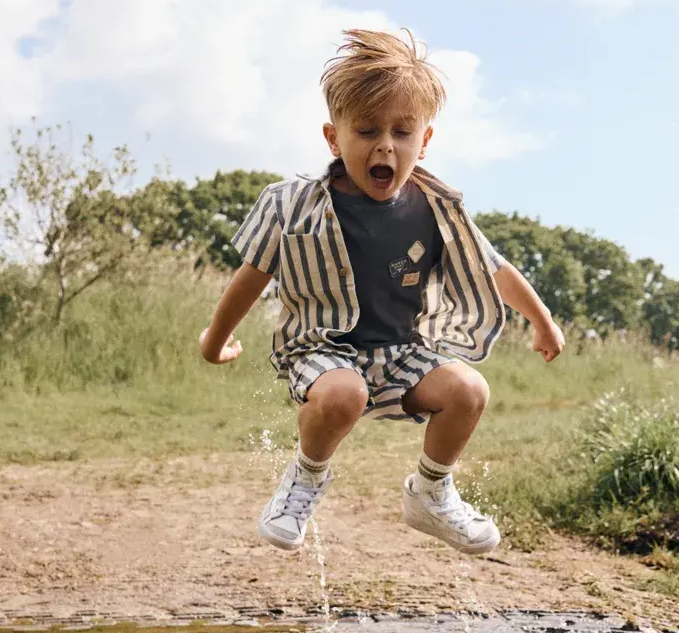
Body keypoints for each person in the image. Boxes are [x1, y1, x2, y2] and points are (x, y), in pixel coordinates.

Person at [199, 28, 564, 555]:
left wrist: (542, 320)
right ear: (334, 138)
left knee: (469, 391)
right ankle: (305, 478)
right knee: (344, 394)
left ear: (425, 140)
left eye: (402, 131)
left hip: (400, 353)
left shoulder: (437, 209)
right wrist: (214, 342)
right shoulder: (291, 205)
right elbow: (251, 278)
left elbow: (493, 268)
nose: (385, 145)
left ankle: (430, 492)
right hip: (322, 350)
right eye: (367, 130)